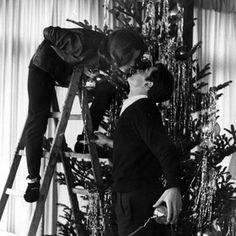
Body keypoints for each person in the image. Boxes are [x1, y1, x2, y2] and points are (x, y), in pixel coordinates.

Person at [24, 26, 147, 203]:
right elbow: (47, 31)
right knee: (37, 118)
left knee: (107, 89)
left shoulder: (109, 55)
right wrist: (73, 57)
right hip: (44, 66)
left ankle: (84, 141)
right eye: (132, 60)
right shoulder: (82, 44)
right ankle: (33, 180)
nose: (134, 64)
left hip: (68, 74)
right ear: (122, 54)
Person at [94, 64, 182, 236]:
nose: (137, 70)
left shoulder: (143, 109)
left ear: (148, 84)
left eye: (144, 71)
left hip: (135, 198)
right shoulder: (136, 107)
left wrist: (173, 186)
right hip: (131, 194)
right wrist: (109, 142)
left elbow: (165, 148)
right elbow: (137, 147)